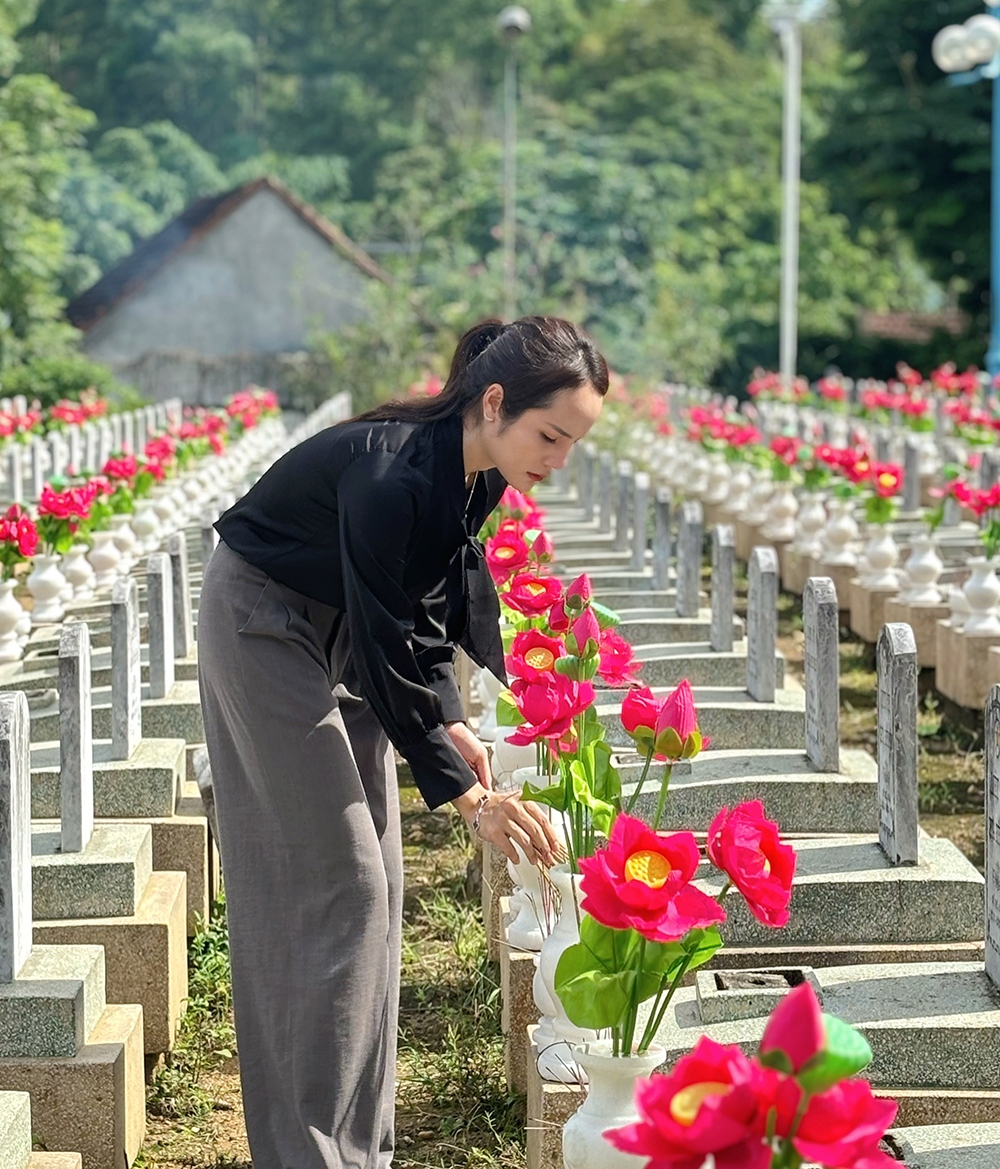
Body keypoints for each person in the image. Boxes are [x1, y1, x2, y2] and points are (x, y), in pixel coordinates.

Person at [197, 315, 610, 1168]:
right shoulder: (390, 467)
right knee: (332, 880)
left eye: (573, 443)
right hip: (264, 622)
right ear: (495, 402)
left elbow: (422, 605)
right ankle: (308, 1153)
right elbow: (387, 636)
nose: (556, 459)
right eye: (549, 435)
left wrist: (449, 715)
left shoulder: (474, 475)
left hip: (344, 629)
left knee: (380, 884)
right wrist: (472, 795)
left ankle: (359, 1149)